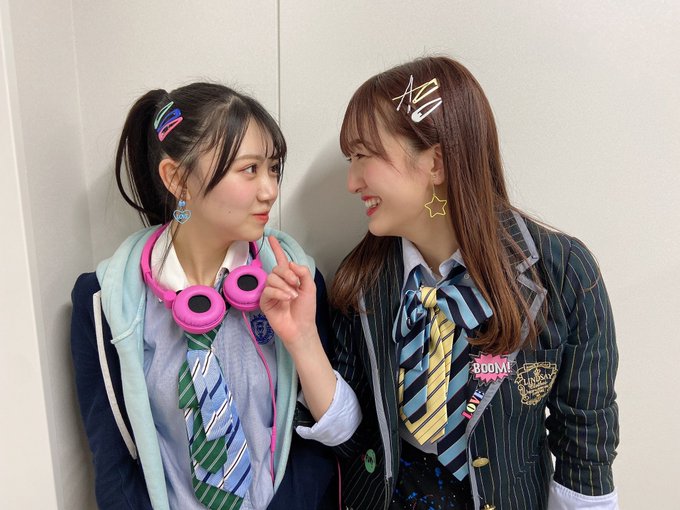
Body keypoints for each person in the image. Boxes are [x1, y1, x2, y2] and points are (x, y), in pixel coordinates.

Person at [329, 56, 619, 509]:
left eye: (364, 156)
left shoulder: (563, 272)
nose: (351, 182)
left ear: (436, 163)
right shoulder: (360, 281)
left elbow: (585, 437)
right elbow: (352, 435)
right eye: (351, 160)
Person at [70, 82, 360, 510]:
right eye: (250, 169)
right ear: (177, 179)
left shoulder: (293, 279)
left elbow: (337, 439)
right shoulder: (103, 301)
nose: (270, 190)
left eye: (273, 168)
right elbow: (114, 466)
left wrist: (301, 338)